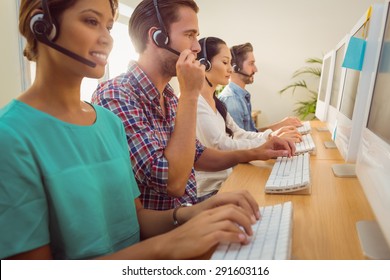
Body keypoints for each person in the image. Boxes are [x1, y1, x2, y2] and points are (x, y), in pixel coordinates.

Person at [0, 0, 263, 260]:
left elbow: (134, 219)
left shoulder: (106, 121)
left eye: (109, 27)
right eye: (91, 21)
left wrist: (190, 213)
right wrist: (168, 244)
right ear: (41, 25)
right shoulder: (10, 135)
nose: (107, 39)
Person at [91, 0, 295, 211]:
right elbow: (173, 182)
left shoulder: (167, 96)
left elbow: (198, 155)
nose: (197, 47)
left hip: (189, 209)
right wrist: (189, 93)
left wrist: (256, 152)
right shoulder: (117, 95)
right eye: (190, 35)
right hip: (166, 231)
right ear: (157, 37)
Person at [195, 37, 301, 200]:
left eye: (230, 63)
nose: (230, 69)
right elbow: (222, 146)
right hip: (210, 191)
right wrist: (264, 146)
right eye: (225, 63)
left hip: (227, 180)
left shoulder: (216, 102)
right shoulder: (196, 103)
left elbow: (240, 133)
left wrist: (271, 137)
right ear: (205, 64)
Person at [218, 42, 303, 133]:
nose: (256, 69)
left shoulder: (240, 96)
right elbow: (240, 143)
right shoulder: (232, 100)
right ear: (235, 68)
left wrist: (281, 126)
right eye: (251, 64)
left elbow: (252, 134)